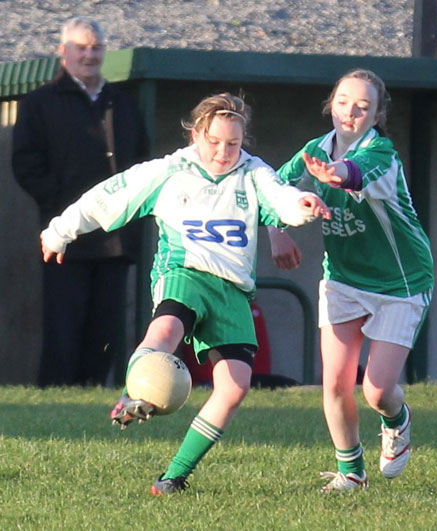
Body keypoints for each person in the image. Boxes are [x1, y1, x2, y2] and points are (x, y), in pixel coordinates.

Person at [40, 92, 330, 494]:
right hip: (184, 273)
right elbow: (108, 196)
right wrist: (60, 231)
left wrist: (303, 205)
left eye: (233, 143)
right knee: (165, 334)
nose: (223, 152)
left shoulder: (252, 172)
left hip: (231, 289)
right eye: (214, 141)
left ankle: (173, 477)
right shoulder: (169, 171)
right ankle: (132, 393)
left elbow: (281, 198)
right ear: (196, 134)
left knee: (235, 386)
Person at [268, 69, 434, 491]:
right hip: (343, 279)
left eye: (363, 106)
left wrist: (332, 175)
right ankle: (352, 473)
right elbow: (274, 189)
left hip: (401, 282)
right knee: (336, 381)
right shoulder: (314, 149)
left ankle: (398, 421)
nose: (350, 112)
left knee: (377, 391)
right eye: (343, 101)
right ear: (331, 104)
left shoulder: (382, 154)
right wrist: (277, 231)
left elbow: (351, 173)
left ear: (377, 115)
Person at [12, 16, 149, 387]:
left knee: (103, 328)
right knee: (63, 325)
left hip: (115, 237)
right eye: (81, 47)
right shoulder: (40, 104)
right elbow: (25, 163)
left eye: (96, 48)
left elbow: (142, 163)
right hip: (65, 237)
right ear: (63, 51)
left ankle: (93, 393)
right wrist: (62, 208)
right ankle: (57, 394)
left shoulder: (121, 103)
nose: (89, 55)